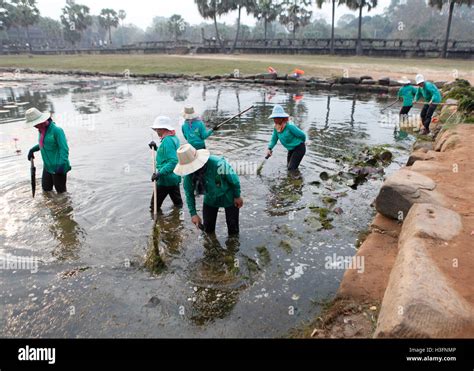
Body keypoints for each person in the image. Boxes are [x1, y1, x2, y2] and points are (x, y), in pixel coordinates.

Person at [174, 144, 243, 236]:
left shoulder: (218, 163)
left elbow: (234, 180)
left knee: (233, 229)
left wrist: (237, 196)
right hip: (210, 199)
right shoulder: (189, 176)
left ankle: (232, 248)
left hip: (228, 196)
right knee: (208, 229)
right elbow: (189, 194)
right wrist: (193, 214)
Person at [26, 108, 71, 193]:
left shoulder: (57, 130)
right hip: (47, 166)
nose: (34, 126)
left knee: (61, 193)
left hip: (58, 165)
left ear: (42, 121)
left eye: (35, 124)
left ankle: (64, 206)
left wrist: (61, 165)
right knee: (46, 190)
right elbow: (44, 144)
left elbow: (64, 149)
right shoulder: (41, 131)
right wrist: (32, 150)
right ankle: (50, 206)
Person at [148, 116, 183, 212]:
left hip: (165, 179)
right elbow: (167, 154)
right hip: (175, 177)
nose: (156, 131)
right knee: (178, 204)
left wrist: (159, 174)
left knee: (154, 206)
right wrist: (155, 148)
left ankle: (160, 222)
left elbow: (173, 161)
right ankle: (178, 219)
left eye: (157, 129)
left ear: (163, 129)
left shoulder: (167, 141)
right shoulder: (173, 137)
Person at [266, 105, 306, 171]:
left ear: (282, 118)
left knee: (291, 168)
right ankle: (294, 179)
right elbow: (274, 140)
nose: (275, 119)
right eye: (274, 118)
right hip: (291, 149)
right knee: (289, 167)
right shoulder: (276, 128)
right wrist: (269, 148)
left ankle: (297, 179)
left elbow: (302, 135)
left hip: (299, 148)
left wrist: (302, 143)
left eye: (277, 117)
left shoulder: (289, 126)